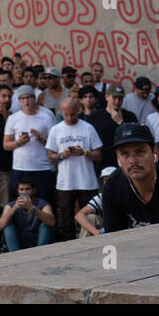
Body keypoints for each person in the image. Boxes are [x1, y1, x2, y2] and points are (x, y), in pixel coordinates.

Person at [45, 97, 103, 242]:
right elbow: (50, 157)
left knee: (90, 216)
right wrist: (62, 154)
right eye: (66, 114)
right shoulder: (56, 130)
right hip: (66, 182)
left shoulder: (88, 127)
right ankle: (68, 246)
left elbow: (98, 155)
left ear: (79, 110)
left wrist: (84, 153)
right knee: (66, 219)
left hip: (86, 181)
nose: (69, 117)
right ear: (61, 112)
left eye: (72, 113)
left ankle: (90, 242)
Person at [3, 85, 55, 204]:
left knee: (45, 201)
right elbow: (6, 145)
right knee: (19, 203)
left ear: (34, 98)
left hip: (42, 167)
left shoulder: (46, 116)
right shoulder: (13, 118)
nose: (26, 101)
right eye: (23, 98)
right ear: (19, 100)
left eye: (29, 97)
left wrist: (41, 138)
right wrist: (18, 142)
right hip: (20, 167)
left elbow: (54, 144)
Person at [0, 179, 55, 251]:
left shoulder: (43, 204)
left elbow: (52, 222)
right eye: (21, 189)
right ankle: (15, 254)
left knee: (45, 225)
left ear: (34, 190)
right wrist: (14, 208)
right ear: (18, 191)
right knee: (8, 226)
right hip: (18, 240)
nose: (24, 192)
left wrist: (31, 207)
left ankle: (41, 251)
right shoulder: (10, 206)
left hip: (36, 238)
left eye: (28, 189)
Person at [86, 83, 137, 159]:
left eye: (120, 98)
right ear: (107, 97)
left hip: (123, 160)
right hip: (102, 162)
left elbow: (133, 139)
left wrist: (121, 123)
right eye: (114, 98)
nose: (117, 102)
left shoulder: (130, 116)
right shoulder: (94, 117)